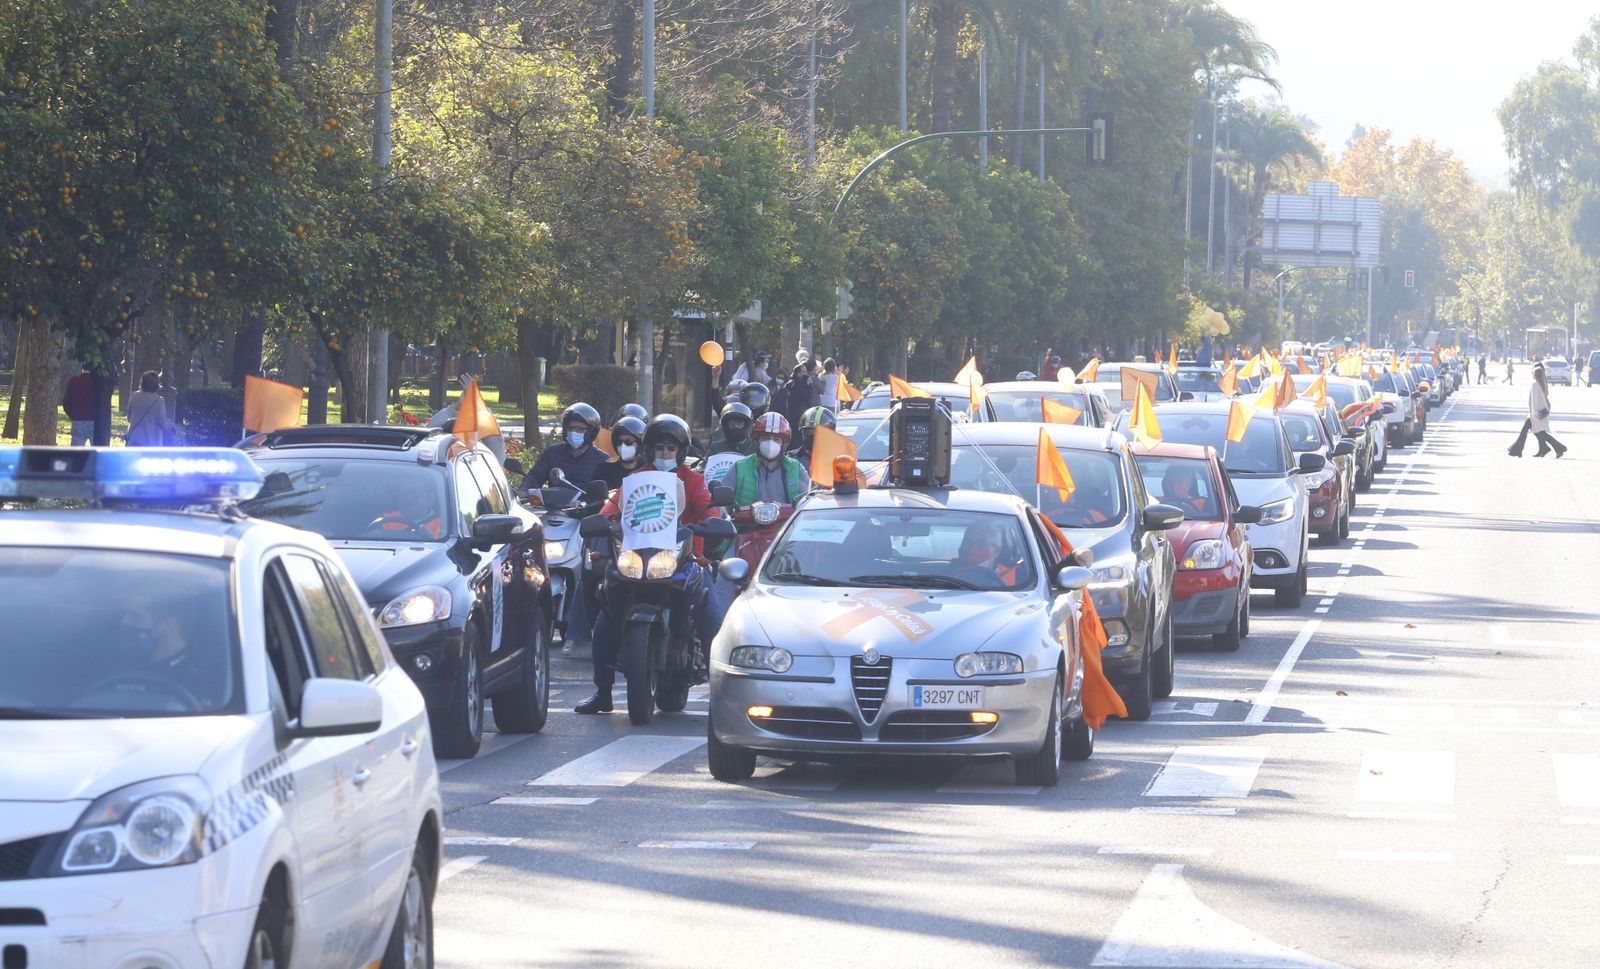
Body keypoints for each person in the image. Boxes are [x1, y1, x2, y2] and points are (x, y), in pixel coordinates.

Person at [577, 416, 723, 714]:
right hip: (636, 559)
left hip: (685, 561)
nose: (665, 454)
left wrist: (712, 521)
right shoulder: (634, 481)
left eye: (671, 448)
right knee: (606, 617)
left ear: (680, 451)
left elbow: (709, 508)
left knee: (711, 615)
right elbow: (613, 507)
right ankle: (603, 691)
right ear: (650, 450)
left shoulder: (693, 481)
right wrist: (603, 520)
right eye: (659, 448)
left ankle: (722, 695)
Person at [727, 412, 812, 508]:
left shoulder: (796, 468)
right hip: (746, 523)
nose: (771, 443)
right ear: (756, 440)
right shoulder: (739, 467)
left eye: (776, 439)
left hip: (787, 522)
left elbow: (809, 500)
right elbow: (721, 501)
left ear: (784, 443)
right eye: (765, 438)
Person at [524, 403, 611, 490]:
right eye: (571, 428)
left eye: (580, 429)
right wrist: (522, 491)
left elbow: (609, 493)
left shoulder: (602, 460)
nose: (574, 432)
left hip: (588, 503)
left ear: (592, 432)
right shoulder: (552, 453)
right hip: (553, 502)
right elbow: (534, 478)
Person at [427, 373, 506, 462]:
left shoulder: (432, 460)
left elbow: (428, 433)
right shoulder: (481, 463)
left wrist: (457, 406)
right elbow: (497, 444)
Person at [1510, 363, 1567, 458]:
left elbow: (1534, 401)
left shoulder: (1535, 384)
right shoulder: (1541, 383)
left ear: (1535, 374)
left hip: (1536, 413)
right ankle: (1546, 448)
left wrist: (1534, 414)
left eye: (1532, 372)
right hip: (1538, 412)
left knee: (1539, 432)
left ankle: (1517, 450)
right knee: (1538, 432)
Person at [376, 478, 445, 539]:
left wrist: (430, 539)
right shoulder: (385, 519)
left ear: (431, 498)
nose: (408, 498)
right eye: (403, 493)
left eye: (415, 493)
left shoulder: (445, 526)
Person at [954, 519, 1018, 585]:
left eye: (982, 543)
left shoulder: (1020, 578)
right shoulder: (946, 572)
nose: (973, 548)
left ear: (998, 550)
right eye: (969, 542)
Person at [124, 370, 174, 447]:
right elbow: (162, 421)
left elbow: (129, 417)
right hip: (151, 441)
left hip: (134, 439)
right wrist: (171, 427)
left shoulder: (134, 396)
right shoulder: (159, 400)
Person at [595, 415, 647, 490]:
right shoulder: (603, 470)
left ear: (639, 443)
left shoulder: (646, 470)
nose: (623, 446)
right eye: (619, 442)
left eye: (628, 441)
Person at [61, 365, 96, 446]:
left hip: (78, 419)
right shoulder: (96, 382)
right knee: (96, 449)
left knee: (76, 450)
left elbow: (66, 401)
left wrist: (72, 414)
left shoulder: (74, 381)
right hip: (94, 420)